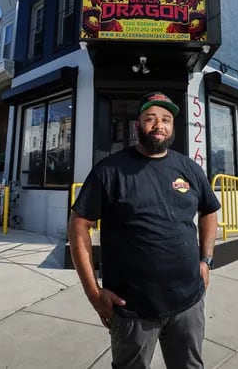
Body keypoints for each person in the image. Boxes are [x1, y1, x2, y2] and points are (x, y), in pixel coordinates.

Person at [69, 92, 220, 369]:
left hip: (188, 302)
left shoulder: (189, 168)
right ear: (137, 125)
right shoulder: (110, 171)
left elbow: (209, 210)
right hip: (132, 309)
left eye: (165, 119)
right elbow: (79, 226)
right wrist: (93, 293)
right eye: (150, 118)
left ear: (173, 127)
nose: (158, 125)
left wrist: (206, 259)